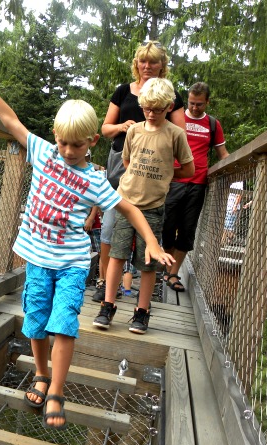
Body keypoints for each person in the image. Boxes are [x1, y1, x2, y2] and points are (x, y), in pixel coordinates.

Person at [0, 54, 174, 429]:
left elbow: (129, 209)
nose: (66, 151)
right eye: (62, 142)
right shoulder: (43, 152)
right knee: (36, 321)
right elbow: (10, 119)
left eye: (76, 146)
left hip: (72, 261)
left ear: (92, 141)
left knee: (63, 323)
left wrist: (153, 244)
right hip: (37, 258)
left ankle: (57, 391)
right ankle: (42, 375)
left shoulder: (95, 180)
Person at [93, 77, 194, 334]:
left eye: (157, 110)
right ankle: (108, 305)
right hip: (126, 203)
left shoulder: (175, 134)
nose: (150, 114)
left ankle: (142, 311)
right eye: (146, 108)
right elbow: (127, 162)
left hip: (153, 206)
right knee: (117, 255)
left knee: (147, 262)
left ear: (169, 106)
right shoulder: (135, 130)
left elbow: (188, 168)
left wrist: (164, 176)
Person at [162, 82, 229, 291]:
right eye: (191, 103)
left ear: (207, 102)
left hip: (198, 183)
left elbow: (223, 154)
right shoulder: (177, 119)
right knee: (166, 227)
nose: (194, 108)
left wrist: (234, 171)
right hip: (173, 181)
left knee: (187, 229)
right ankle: (167, 268)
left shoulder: (212, 124)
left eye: (199, 104)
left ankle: (172, 274)